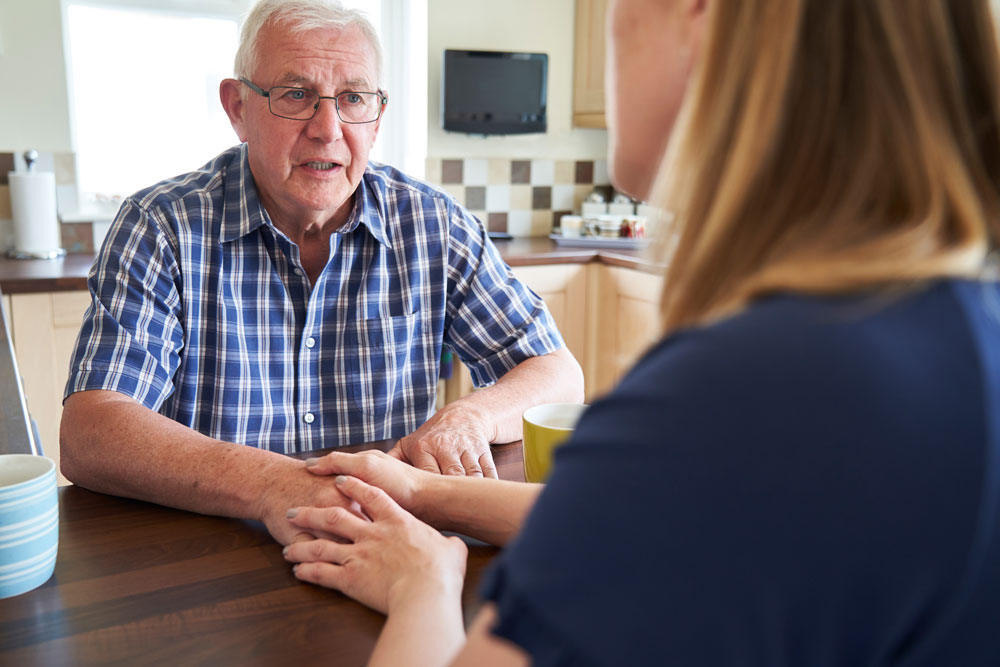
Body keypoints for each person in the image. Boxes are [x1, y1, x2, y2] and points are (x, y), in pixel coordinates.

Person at [280, 0, 1000, 664]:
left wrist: (424, 582)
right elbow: (645, 512)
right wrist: (424, 493)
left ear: (699, 16)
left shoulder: (745, 387)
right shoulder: (952, 326)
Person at [58, 0, 583, 547]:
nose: (328, 129)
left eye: (353, 98)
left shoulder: (434, 225)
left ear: (377, 117)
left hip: (391, 546)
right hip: (212, 555)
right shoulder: (161, 225)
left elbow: (555, 371)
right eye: (296, 95)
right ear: (237, 107)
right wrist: (273, 485)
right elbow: (92, 432)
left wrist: (470, 417)